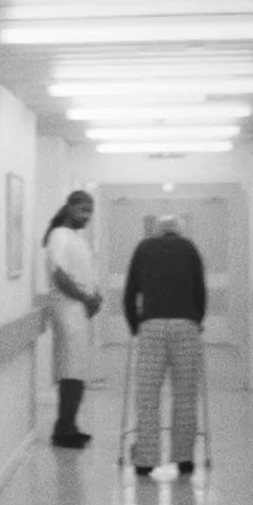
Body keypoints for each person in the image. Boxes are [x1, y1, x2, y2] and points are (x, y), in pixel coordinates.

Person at [122, 214, 207, 477]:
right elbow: (200, 292)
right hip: (186, 326)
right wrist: (196, 320)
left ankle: (146, 460)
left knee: (147, 395)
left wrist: (136, 325)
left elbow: (130, 292)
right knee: (185, 394)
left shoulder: (144, 248)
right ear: (179, 231)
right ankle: (184, 459)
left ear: (158, 231)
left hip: (153, 325)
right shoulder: (190, 248)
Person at [43, 190, 102, 448]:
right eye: (82, 210)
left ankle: (70, 425)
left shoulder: (75, 238)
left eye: (90, 211)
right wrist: (87, 299)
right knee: (70, 373)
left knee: (77, 372)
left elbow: (83, 273)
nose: (87, 216)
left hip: (78, 311)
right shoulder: (58, 237)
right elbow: (60, 277)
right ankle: (63, 430)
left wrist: (94, 296)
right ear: (69, 208)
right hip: (68, 312)